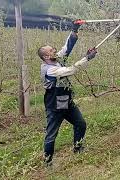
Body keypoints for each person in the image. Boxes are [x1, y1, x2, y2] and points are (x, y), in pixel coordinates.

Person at [38, 22, 97, 166]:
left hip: (66, 101)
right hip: (54, 107)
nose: (55, 51)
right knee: (52, 135)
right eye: (52, 50)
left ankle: (78, 148)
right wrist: (87, 58)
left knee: (80, 124)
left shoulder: (55, 59)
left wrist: (75, 29)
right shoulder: (49, 70)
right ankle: (48, 162)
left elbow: (67, 47)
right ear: (46, 56)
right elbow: (70, 70)